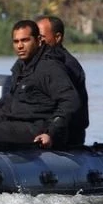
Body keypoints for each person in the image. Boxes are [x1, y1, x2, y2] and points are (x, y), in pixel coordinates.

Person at [0, 19, 81, 148]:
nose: (20, 46)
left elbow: (70, 101)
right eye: (16, 41)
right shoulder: (21, 66)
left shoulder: (50, 67)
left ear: (38, 40)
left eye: (25, 40)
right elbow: (10, 100)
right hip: (16, 122)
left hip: (38, 127)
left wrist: (50, 133)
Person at [35, 14, 89, 146]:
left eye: (41, 38)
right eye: (35, 38)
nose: (38, 42)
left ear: (57, 37)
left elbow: (69, 105)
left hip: (66, 136)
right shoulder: (37, 64)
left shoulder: (67, 65)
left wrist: (51, 132)